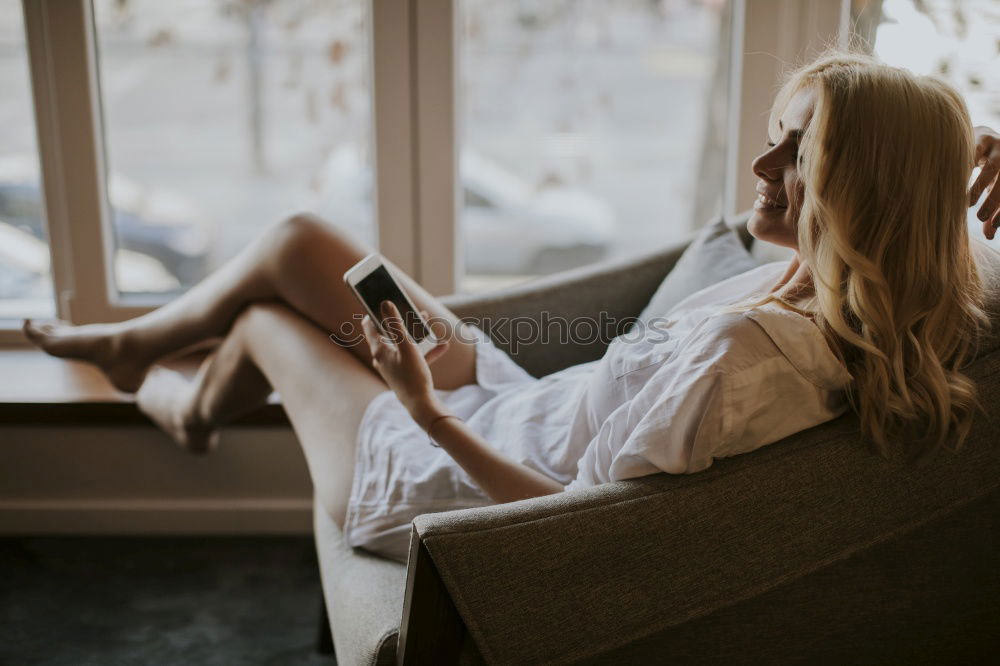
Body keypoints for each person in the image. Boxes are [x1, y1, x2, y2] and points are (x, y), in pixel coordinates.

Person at [23, 50, 1000, 563]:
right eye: (775, 138)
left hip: (439, 474)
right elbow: (930, 240)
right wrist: (971, 160)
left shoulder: (747, 360)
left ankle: (181, 405)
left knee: (266, 322)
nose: (759, 168)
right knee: (298, 241)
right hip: (514, 403)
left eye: (799, 156)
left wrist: (420, 408)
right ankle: (134, 346)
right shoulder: (854, 288)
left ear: (858, 191)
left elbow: (576, 525)